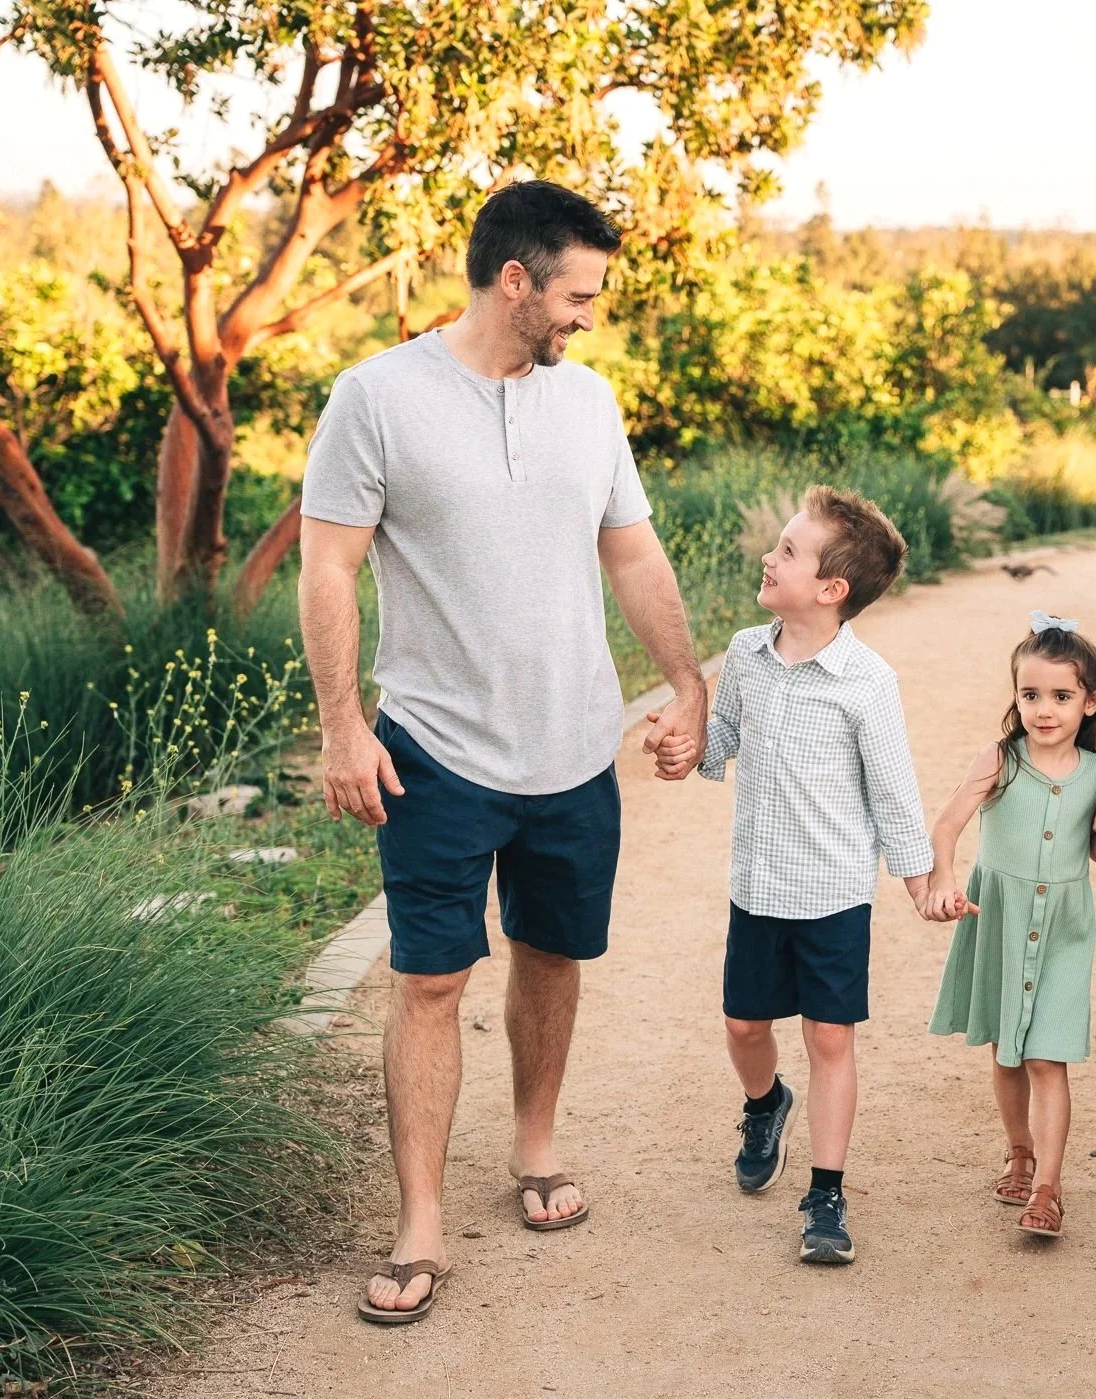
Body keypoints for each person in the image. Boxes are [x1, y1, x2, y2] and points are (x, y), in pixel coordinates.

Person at [298, 181, 708, 1326]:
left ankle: (535, 1147)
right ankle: (420, 1219)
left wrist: (686, 678)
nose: (588, 316)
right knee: (430, 978)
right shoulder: (376, 398)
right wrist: (343, 723)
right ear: (516, 280)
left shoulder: (589, 403)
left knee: (551, 953)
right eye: (577, 294)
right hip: (432, 746)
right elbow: (328, 567)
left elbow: (630, 551)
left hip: (577, 745)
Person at [657, 485, 933, 1265]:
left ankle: (826, 1194)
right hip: (758, 888)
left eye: (787, 550)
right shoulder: (746, 652)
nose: (769, 557)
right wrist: (686, 751)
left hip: (835, 896)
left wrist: (918, 879)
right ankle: (764, 1102)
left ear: (830, 589)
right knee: (745, 1027)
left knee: (829, 1039)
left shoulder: (866, 682)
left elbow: (893, 789)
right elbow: (724, 738)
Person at [922, 614, 1096, 1240]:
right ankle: (1020, 1149)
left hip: (1065, 927)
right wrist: (944, 880)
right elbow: (946, 827)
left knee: (1048, 1058)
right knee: (1006, 1051)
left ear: (1090, 701)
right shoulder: (1000, 760)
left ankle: (1049, 1187)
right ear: (1016, 697)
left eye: (1062, 696)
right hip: (1002, 919)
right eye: (1030, 695)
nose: (1044, 710)